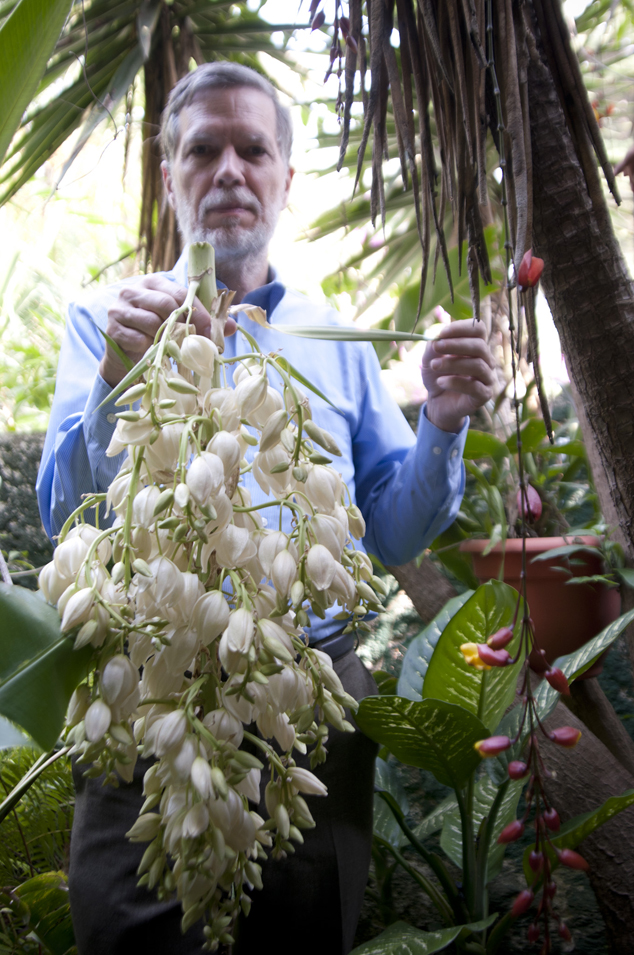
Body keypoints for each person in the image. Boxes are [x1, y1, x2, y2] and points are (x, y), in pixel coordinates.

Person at [37, 62, 495, 955]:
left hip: (306, 704)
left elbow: (391, 532)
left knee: (306, 929)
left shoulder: (338, 336)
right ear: (170, 174)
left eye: (254, 148)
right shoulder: (107, 317)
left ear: (285, 175)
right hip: (150, 693)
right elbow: (67, 510)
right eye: (203, 149)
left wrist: (442, 423)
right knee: (127, 928)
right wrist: (119, 375)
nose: (230, 170)